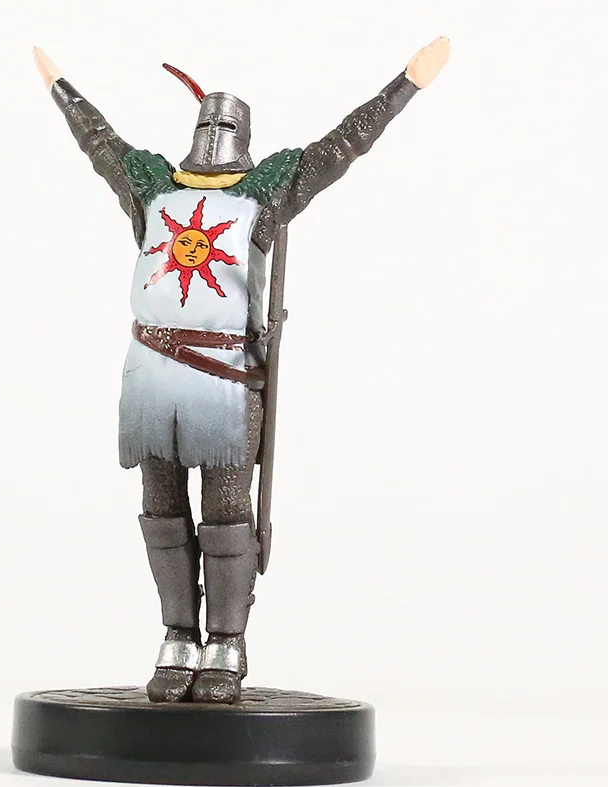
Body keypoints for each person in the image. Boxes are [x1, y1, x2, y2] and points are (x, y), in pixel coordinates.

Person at [33, 37, 450, 704]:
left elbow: (343, 145)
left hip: (225, 377)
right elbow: (98, 140)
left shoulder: (265, 193)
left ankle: (226, 642)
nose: (214, 137)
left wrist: (406, 83)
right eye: (210, 125)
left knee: (227, 510)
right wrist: (60, 87)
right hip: (151, 371)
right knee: (161, 507)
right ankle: (178, 635)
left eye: (224, 127)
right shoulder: (153, 188)